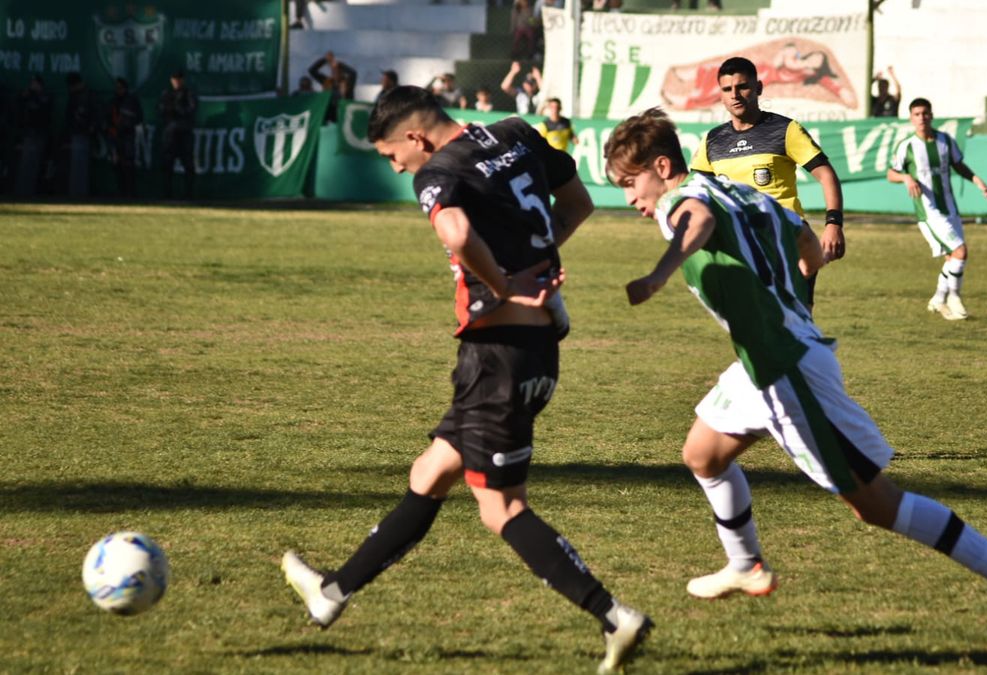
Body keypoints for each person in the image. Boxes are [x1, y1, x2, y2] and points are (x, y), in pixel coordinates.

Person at [604, 106, 987, 658]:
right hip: (765, 359)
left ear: (661, 165)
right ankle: (746, 566)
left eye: (629, 183)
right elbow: (808, 246)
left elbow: (696, 221)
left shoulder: (680, 202)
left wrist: (659, 272)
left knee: (874, 504)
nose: (629, 198)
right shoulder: (742, 192)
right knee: (703, 453)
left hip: (785, 368)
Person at [280, 85, 652, 674]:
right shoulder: (515, 132)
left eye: (390, 155)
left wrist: (505, 286)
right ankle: (332, 594)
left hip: (497, 352)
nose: (395, 165)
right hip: (535, 344)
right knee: (430, 472)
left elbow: (455, 233)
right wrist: (535, 266)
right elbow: (578, 204)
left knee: (500, 508)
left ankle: (614, 616)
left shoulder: (438, 171)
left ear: (415, 137)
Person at [689, 56, 844, 309]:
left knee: (795, 321)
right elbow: (695, 191)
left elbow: (826, 175)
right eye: (727, 89)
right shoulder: (713, 140)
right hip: (741, 244)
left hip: (789, 237)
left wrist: (834, 224)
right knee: (754, 325)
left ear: (758, 88)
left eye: (743, 86)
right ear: (721, 95)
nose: (735, 95)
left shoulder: (785, 130)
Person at [886, 98, 987, 321]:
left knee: (952, 258)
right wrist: (905, 177)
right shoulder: (907, 146)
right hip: (928, 211)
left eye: (925, 113)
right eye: (916, 114)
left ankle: (938, 299)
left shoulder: (945, 141)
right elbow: (891, 173)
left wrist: (977, 180)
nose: (921, 118)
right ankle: (954, 296)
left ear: (931, 115)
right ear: (910, 118)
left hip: (950, 208)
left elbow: (958, 165)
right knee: (960, 251)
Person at [158, 69, 197, 199]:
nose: (176, 81)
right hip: (170, 134)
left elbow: (191, 109)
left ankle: (189, 195)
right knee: (167, 165)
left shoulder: (188, 93)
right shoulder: (166, 93)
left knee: (188, 165)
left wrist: (177, 108)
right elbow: (160, 110)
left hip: (184, 133)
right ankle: (167, 194)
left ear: (182, 80)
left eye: (178, 79)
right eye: (174, 79)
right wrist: (168, 109)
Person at [14, 74, 52, 198]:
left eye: (34, 83)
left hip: (39, 134)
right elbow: (20, 108)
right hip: (28, 134)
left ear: (39, 84)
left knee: (34, 165)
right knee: (25, 164)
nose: (32, 85)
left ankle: (31, 192)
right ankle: (22, 192)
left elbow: (42, 112)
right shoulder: (27, 96)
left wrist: (33, 96)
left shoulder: (45, 97)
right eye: (31, 83)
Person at [61, 72, 97, 198]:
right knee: (76, 165)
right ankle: (75, 192)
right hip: (76, 133)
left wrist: (91, 128)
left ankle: (80, 193)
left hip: (85, 134)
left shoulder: (88, 96)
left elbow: (95, 115)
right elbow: (68, 117)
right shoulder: (74, 97)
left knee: (81, 165)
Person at [107, 77, 143, 199]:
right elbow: (107, 118)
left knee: (128, 164)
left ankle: (131, 192)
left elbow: (139, 117)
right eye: (117, 88)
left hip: (128, 136)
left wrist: (128, 125)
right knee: (116, 164)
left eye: (120, 88)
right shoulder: (113, 101)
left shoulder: (131, 101)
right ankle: (121, 191)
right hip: (115, 135)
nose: (118, 90)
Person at [309, 51, 358, 124]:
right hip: (329, 114)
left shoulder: (347, 84)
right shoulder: (328, 82)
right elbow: (312, 71)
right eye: (333, 70)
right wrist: (325, 60)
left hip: (343, 115)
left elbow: (353, 73)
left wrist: (340, 64)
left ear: (342, 72)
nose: (335, 72)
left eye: (337, 70)